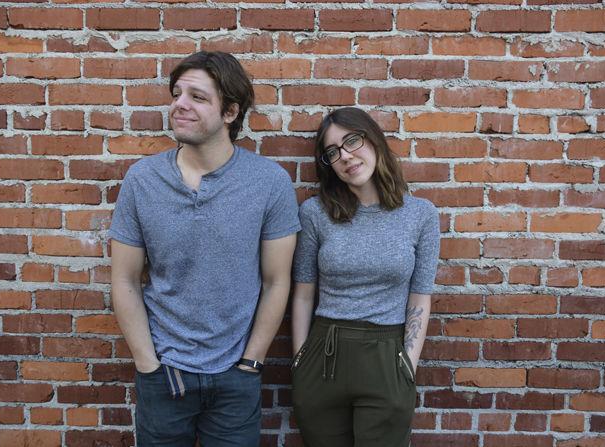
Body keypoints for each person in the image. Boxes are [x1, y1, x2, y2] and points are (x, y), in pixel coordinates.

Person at [109, 51, 300, 447]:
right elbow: (124, 279)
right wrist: (148, 364)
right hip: (164, 375)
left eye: (197, 97)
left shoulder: (269, 182)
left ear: (230, 112)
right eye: (176, 93)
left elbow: (277, 281)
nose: (180, 104)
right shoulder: (143, 180)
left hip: (235, 379)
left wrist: (250, 362)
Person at [290, 107, 440, 447]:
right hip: (323, 357)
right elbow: (302, 293)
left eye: (351, 141)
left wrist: (407, 365)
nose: (345, 156)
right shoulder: (315, 213)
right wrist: (300, 361)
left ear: (373, 140)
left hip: (388, 356)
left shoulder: (421, 215)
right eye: (333, 152)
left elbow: (420, 296)